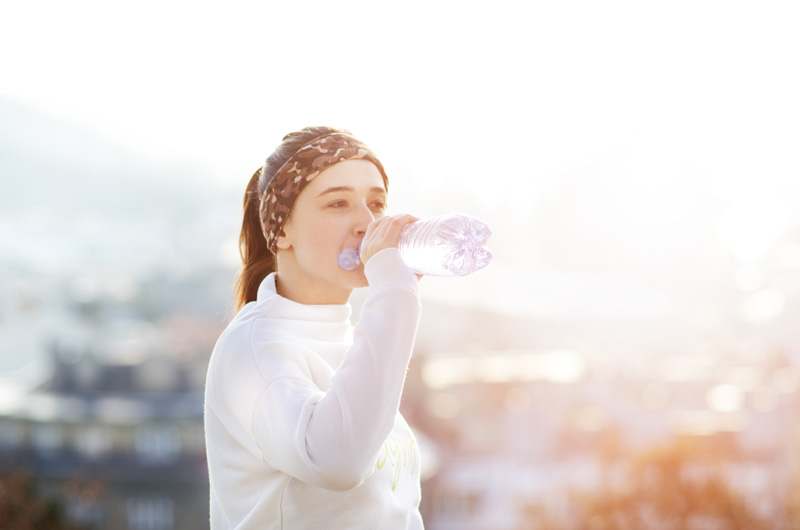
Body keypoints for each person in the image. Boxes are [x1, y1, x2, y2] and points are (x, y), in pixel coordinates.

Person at [203, 126, 427, 529]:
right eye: (338, 203)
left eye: (376, 203)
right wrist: (395, 295)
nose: (367, 222)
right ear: (281, 228)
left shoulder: (351, 339)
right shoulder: (254, 348)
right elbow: (337, 461)